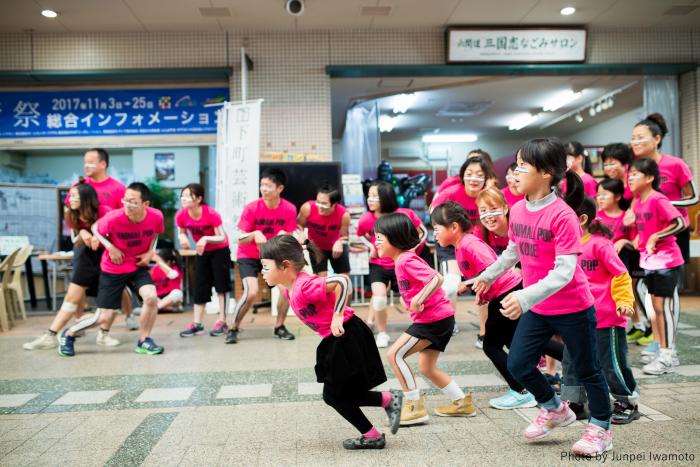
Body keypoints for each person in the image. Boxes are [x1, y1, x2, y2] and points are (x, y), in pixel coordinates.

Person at [473, 138, 613, 456]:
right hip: (539, 306)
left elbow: (565, 272)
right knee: (519, 364)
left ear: (547, 173)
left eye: (523, 166)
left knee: (588, 368)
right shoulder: (519, 209)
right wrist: (487, 275)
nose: (514, 172)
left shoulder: (562, 216)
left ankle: (602, 427)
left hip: (573, 306)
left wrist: (523, 297)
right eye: (516, 164)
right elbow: (513, 251)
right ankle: (554, 409)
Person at [259, 235, 402, 450]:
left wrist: (337, 314)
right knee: (338, 394)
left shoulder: (304, 285)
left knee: (334, 395)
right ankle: (386, 402)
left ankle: (375, 428)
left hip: (347, 334)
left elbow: (342, 281)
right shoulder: (291, 289)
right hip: (338, 338)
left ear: (285, 266)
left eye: (265, 267)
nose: (262, 272)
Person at [432, 201, 563, 410]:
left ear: (454, 227)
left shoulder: (469, 244)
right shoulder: (462, 245)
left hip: (506, 295)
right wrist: (478, 290)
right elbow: (486, 275)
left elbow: (494, 270)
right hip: (502, 295)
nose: (434, 235)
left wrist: (476, 286)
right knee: (518, 341)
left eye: (437, 229)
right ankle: (565, 362)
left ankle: (521, 391)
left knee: (491, 345)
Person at [377, 213, 476, 425]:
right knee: (426, 368)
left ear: (394, 238)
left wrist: (417, 300)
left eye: (379, 237)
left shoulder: (405, 259)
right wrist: (412, 300)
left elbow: (436, 278)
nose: (375, 241)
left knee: (394, 355)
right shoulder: (401, 260)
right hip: (437, 318)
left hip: (433, 320)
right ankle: (461, 402)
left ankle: (414, 406)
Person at [58, 182, 165, 356]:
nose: (127, 205)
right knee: (103, 317)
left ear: (145, 204)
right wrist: (110, 247)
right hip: (113, 268)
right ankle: (68, 334)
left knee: (151, 297)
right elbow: (95, 229)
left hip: (137, 265)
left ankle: (144, 340)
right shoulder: (115, 217)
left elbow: (156, 233)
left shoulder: (156, 216)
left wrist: (150, 252)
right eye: (125, 200)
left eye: (132, 202)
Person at [23, 182, 119, 350]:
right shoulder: (71, 213)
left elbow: (118, 233)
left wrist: (100, 236)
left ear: (86, 199)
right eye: (70, 195)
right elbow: (75, 239)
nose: (70, 199)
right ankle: (51, 335)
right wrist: (83, 233)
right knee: (71, 298)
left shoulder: (105, 211)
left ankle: (104, 334)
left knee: (115, 298)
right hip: (85, 257)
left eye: (75, 196)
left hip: (109, 257)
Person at [576, 197, 640, 424]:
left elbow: (621, 274)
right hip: (577, 318)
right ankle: (576, 402)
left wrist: (624, 301)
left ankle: (626, 401)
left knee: (612, 363)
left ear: (581, 219)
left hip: (606, 318)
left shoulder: (599, 244)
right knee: (575, 362)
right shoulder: (565, 246)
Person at [64, 148, 137, 330]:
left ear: (103, 164)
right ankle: (79, 319)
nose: (86, 166)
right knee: (78, 281)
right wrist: (82, 232)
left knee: (117, 282)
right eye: (85, 162)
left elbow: (124, 216)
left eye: (91, 162)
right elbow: (70, 211)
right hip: (85, 242)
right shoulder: (79, 186)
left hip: (108, 243)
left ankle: (129, 315)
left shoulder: (118, 188)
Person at [625, 158, 686, 374]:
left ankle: (668, 355)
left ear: (650, 178)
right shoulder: (639, 202)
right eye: (629, 173)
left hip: (667, 262)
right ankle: (663, 350)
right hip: (650, 262)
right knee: (655, 310)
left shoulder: (658, 199)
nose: (630, 177)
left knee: (663, 309)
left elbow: (680, 222)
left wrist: (655, 237)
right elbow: (644, 229)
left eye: (636, 174)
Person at [227, 168, 297, 344]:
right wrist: (253, 234)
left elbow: (289, 235)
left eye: (268, 185)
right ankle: (233, 327)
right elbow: (239, 238)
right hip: (248, 255)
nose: (263, 189)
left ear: (279, 188)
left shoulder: (289, 209)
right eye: (262, 185)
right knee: (251, 292)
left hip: (272, 256)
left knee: (287, 290)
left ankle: (279, 326)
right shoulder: (251, 208)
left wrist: (286, 236)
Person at [356, 180, 429, 348]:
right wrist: (371, 247)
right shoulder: (366, 219)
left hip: (402, 265)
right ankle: (382, 333)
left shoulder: (405, 213)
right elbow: (361, 234)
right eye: (369, 196)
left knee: (410, 302)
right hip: (379, 265)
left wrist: (411, 250)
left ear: (386, 197)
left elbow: (422, 232)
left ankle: (420, 331)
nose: (370, 199)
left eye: (375, 196)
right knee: (379, 299)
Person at [432, 155, 494, 345]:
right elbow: (433, 215)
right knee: (451, 284)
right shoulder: (450, 193)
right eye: (469, 174)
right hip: (452, 245)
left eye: (479, 175)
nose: (474, 178)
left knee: (484, 289)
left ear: (485, 178)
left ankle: (484, 333)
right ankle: (447, 322)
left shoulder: (489, 196)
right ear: (462, 176)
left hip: (477, 246)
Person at [630, 113, 697, 269]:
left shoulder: (675, 164)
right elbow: (636, 198)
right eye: (633, 138)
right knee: (649, 280)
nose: (635, 142)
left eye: (640, 137)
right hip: (646, 230)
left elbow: (693, 198)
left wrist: (664, 204)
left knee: (670, 279)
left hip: (675, 227)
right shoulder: (633, 168)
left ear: (657, 139)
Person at [595, 178, 650, 344]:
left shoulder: (627, 218)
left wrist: (623, 241)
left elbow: (635, 243)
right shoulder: (596, 218)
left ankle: (630, 325)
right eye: (598, 195)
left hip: (621, 266)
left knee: (625, 295)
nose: (600, 198)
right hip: (599, 268)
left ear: (618, 197)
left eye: (605, 195)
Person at [176, 183, 231, 337]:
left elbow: (221, 237)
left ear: (199, 198)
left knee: (221, 286)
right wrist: (183, 238)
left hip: (220, 250)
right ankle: (197, 324)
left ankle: (222, 321)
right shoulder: (182, 214)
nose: (184, 199)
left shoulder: (211, 214)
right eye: (183, 196)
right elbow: (182, 232)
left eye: (188, 196)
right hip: (202, 252)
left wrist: (205, 238)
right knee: (200, 286)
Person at [297, 184, 351, 280]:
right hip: (316, 247)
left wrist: (340, 241)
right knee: (321, 281)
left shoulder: (344, 215)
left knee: (344, 280)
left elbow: (344, 236)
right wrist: (301, 234)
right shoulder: (307, 207)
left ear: (334, 204)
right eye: (318, 202)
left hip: (336, 248)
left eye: (324, 204)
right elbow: (299, 225)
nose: (320, 207)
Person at [601, 143, 634, 209]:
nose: (608, 168)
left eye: (612, 164)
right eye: (605, 165)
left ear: (625, 164)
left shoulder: (633, 180)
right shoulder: (606, 183)